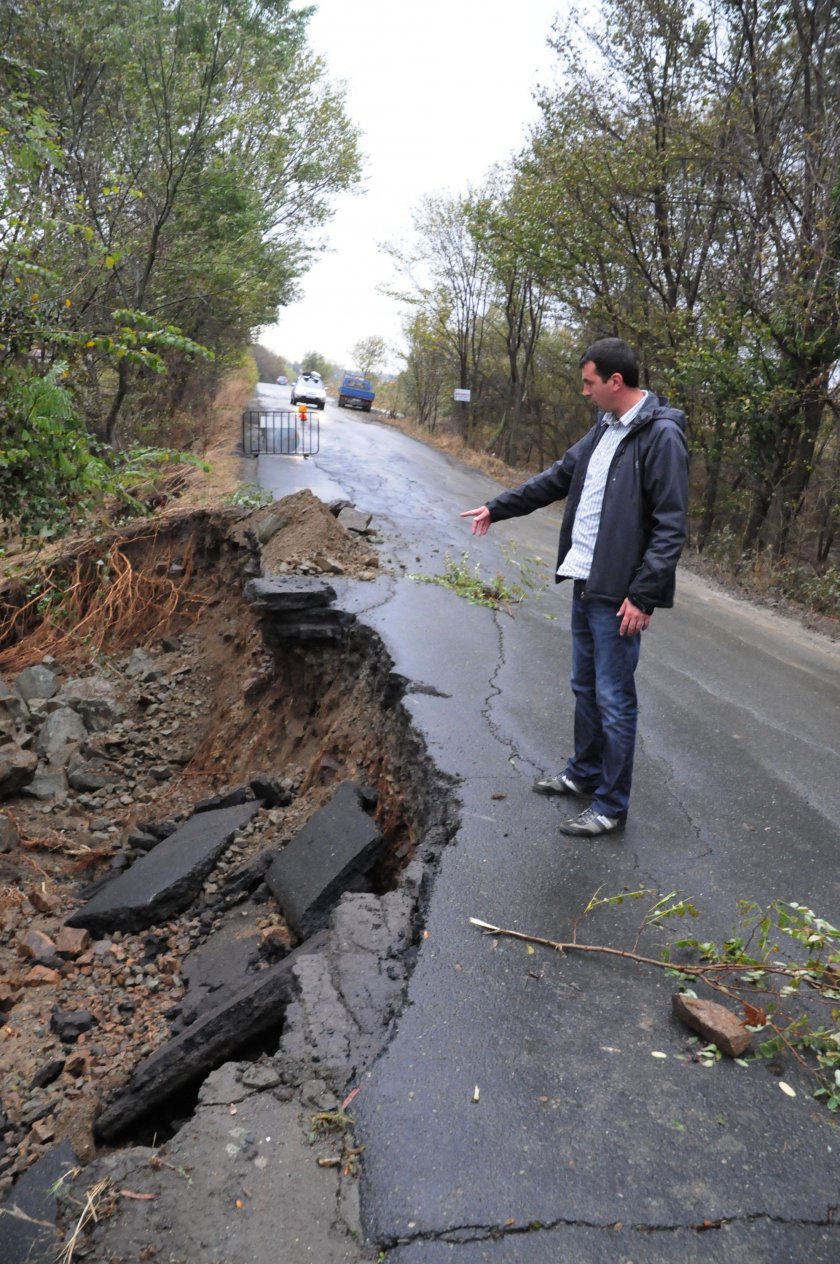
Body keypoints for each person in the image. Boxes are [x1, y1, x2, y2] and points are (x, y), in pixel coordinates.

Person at [461, 338, 689, 838]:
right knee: (584, 686)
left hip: (620, 592)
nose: (584, 392)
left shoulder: (661, 437)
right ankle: (584, 774)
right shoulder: (604, 430)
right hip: (586, 580)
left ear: (614, 381)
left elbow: (671, 525)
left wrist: (645, 594)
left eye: (589, 382)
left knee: (614, 698)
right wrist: (497, 508)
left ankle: (610, 806)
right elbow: (555, 479)